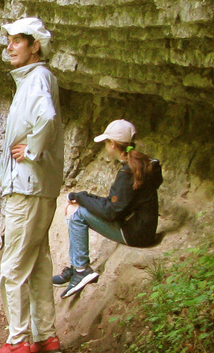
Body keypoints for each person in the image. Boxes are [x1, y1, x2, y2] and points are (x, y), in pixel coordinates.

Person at [0, 16, 64, 353]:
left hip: (28, 186)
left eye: (17, 41)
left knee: (13, 266)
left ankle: (18, 341)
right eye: (8, 41)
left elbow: (46, 119)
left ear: (35, 45)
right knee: (36, 263)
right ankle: (45, 337)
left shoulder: (36, 80)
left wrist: (31, 150)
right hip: (36, 186)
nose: (10, 46)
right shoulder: (36, 80)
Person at [55, 120, 163, 299]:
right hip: (141, 228)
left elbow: (110, 212)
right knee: (79, 206)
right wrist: (83, 197)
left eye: (106, 142)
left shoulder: (127, 173)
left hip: (135, 233)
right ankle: (76, 268)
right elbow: (115, 204)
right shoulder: (142, 163)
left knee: (77, 213)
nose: (105, 146)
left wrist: (80, 199)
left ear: (113, 144)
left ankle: (81, 270)